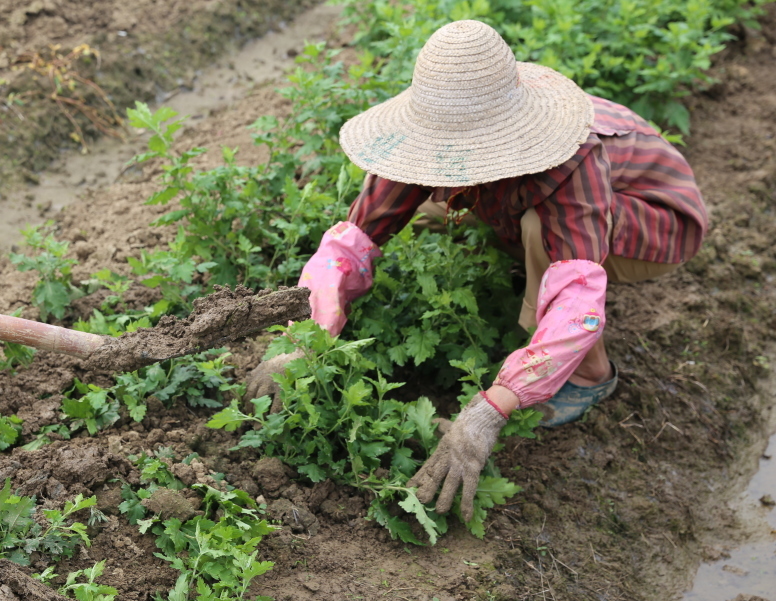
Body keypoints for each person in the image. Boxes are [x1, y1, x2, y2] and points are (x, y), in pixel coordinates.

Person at [245, 19, 707, 521]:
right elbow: (353, 242)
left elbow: (579, 295)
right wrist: (305, 336)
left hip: (654, 220)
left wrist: (493, 407)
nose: (449, 159)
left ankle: (594, 374)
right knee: (427, 209)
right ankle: (521, 268)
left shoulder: (569, 157)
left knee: (538, 230)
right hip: (569, 203)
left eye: (473, 150)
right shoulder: (422, 137)